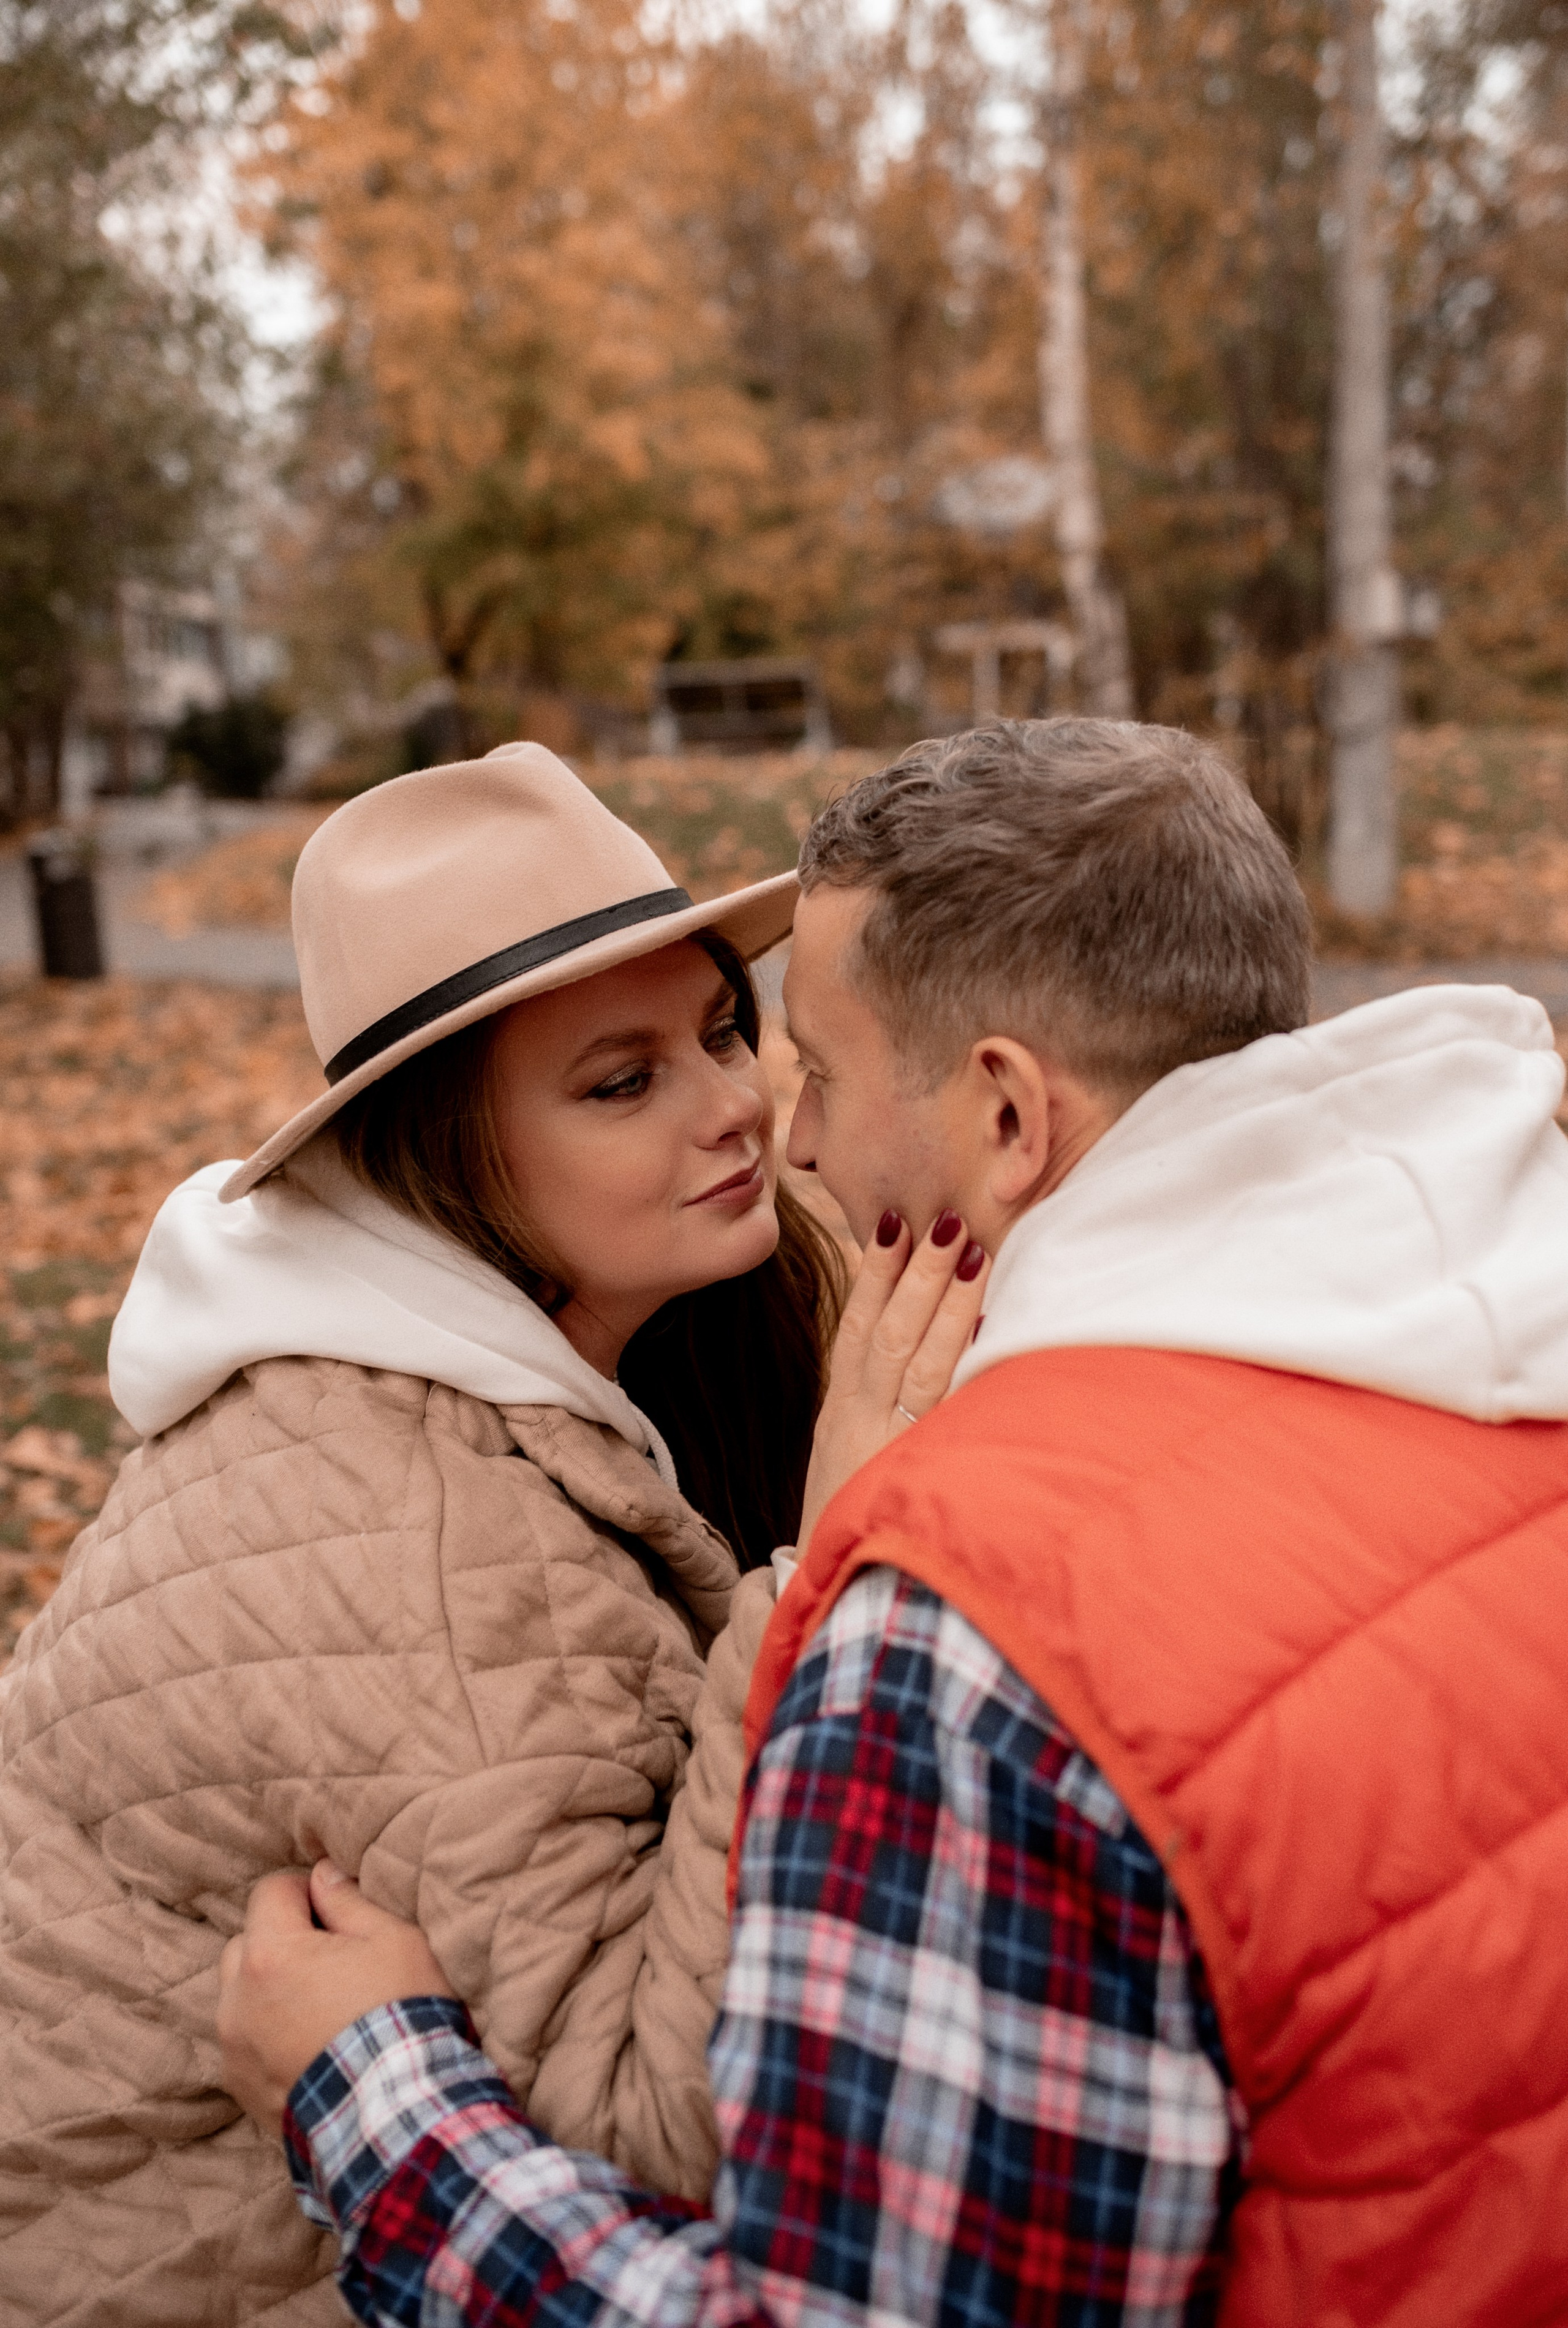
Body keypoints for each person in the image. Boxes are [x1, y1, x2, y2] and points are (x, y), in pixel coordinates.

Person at [220, 717, 1568, 2326]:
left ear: (1007, 1118)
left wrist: (381, 2106)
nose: (783, 1136)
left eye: (815, 1067)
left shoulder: (970, 1631)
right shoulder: (1499, 1338)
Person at [0, 740, 989, 2327]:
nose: (738, 1102)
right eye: (624, 1079)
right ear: (438, 1152)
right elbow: (662, 2133)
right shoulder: (416, 1541)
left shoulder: (603, 1330)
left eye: (724, 1026)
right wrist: (827, 1564)